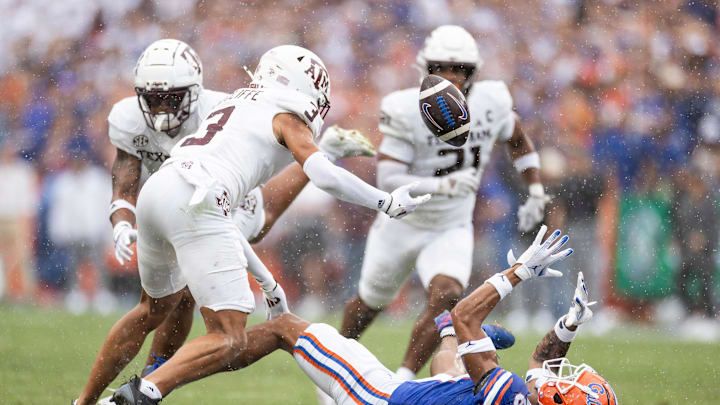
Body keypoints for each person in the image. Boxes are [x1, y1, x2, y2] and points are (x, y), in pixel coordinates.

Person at [108, 44, 430, 404]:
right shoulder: (279, 113)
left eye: (172, 96)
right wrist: (385, 201)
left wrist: (270, 284)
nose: (164, 106)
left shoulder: (230, 103)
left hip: (169, 194)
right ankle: (145, 389)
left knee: (163, 305)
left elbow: (234, 218)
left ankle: (111, 395)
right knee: (225, 333)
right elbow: (321, 176)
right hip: (195, 199)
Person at [114, 226, 617, 404]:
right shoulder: (524, 398)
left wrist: (519, 273)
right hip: (435, 397)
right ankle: (446, 340)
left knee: (286, 328)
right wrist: (567, 326)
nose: (565, 375)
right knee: (456, 370)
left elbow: (466, 314)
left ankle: (161, 380)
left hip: (378, 398)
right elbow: (544, 367)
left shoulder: (510, 398)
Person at [340, 24, 550, 382]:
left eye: (460, 69)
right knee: (370, 303)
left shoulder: (491, 101)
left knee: (448, 295)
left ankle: (402, 379)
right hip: (402, 222)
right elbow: (389, 179)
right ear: (426, 68)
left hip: (451, 224)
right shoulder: (404, 108)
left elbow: (516, 138)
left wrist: (535, 188)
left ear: (474, 72)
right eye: (442, 68)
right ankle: (333, 360)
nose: (451, 77)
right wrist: (443, 184)